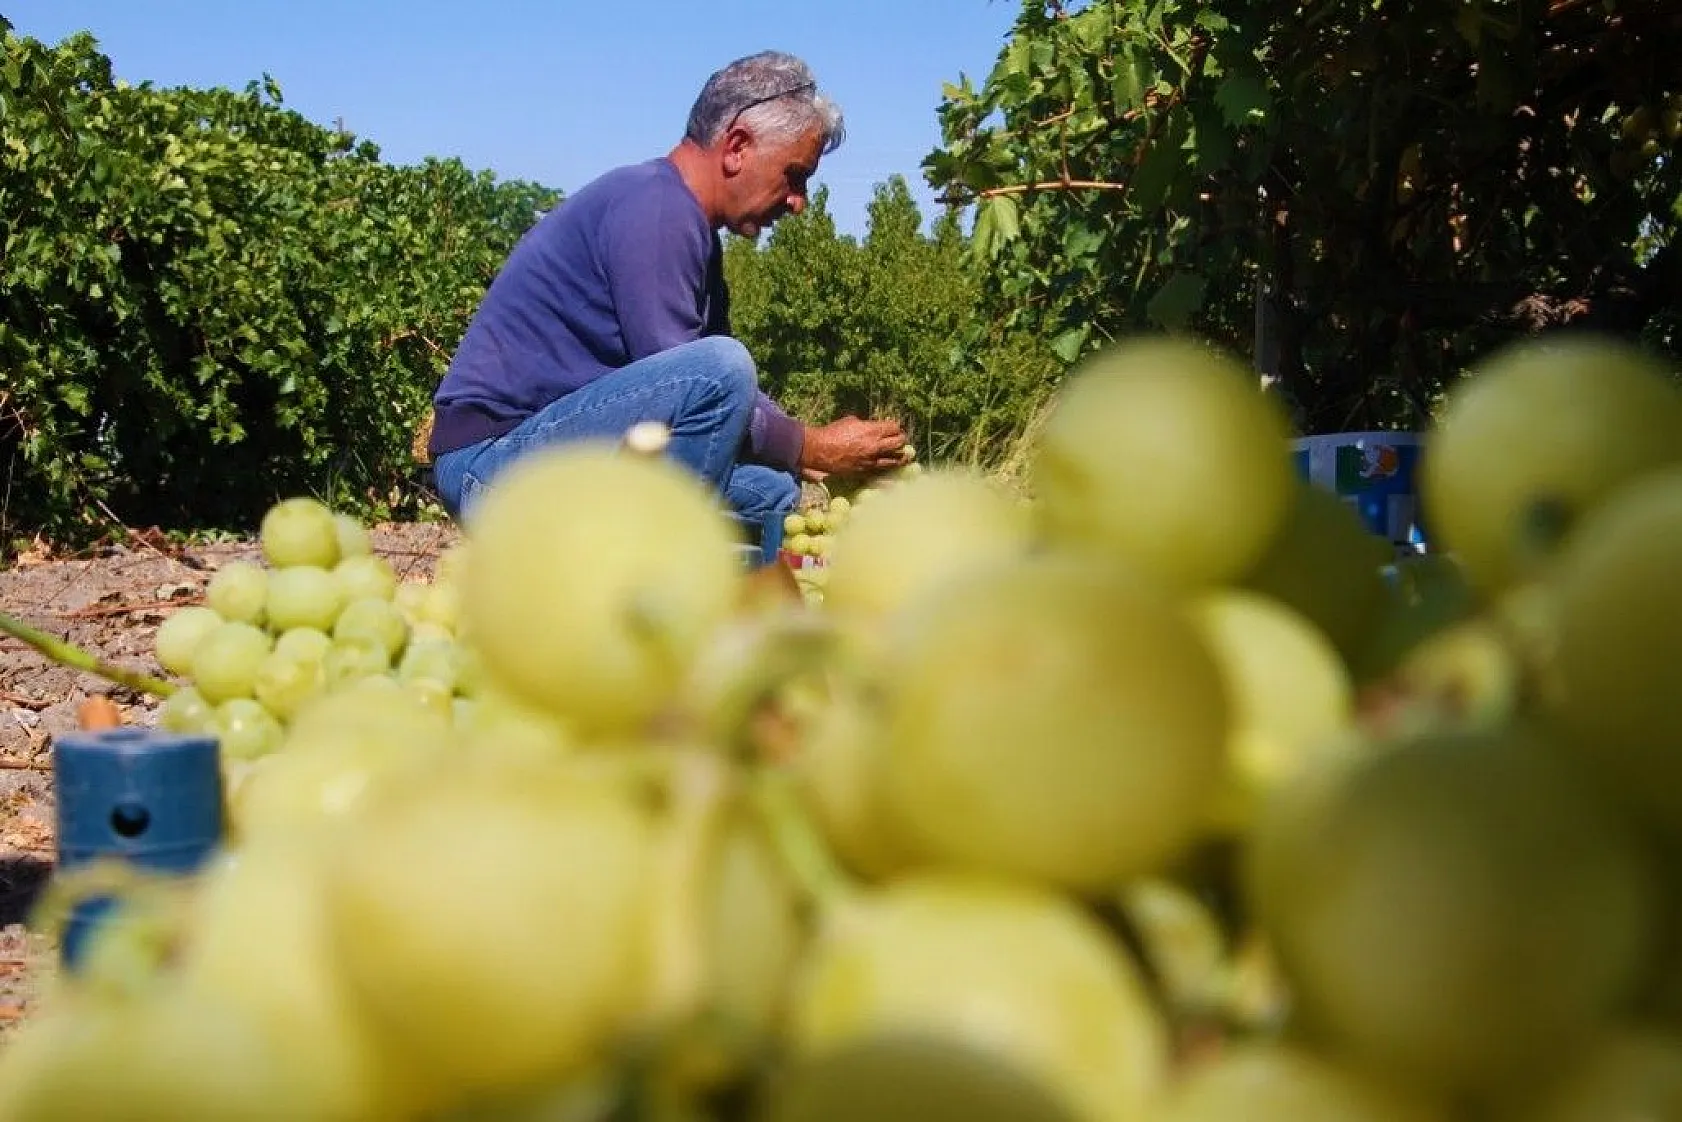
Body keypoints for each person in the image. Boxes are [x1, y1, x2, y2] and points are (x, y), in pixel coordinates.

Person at [426, 50, 909, 528]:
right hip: (491, 464)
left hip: (554, 452)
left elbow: (729, 400)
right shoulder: (657, 209)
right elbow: (707, 387)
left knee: (772, 493)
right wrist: (811, 444)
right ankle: (651, 582)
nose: (798, 202)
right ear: (738, 145)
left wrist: (810, 458)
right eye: (795, 175)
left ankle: (730, 602)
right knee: (722, 369)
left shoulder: (688, 227)